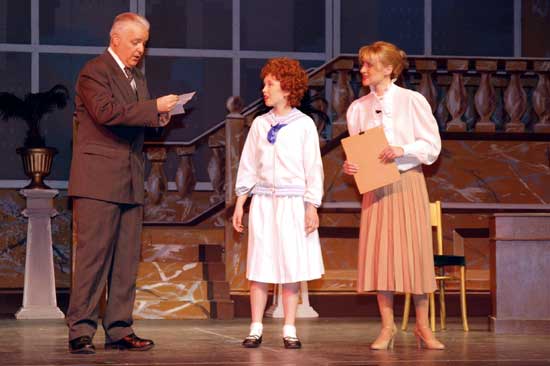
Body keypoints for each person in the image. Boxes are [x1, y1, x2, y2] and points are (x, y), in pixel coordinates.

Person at [67, 12, 179, 354]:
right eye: (135, 42)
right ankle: (80, 331)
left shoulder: (135, 77)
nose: (140, 49)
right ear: (116, 39)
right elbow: (107, 113)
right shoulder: (94, 71)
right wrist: (152, 108)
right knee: (93, 259)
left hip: (130, 178)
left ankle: (119, 328)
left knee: (126, 260)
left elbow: (132, 117)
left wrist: (159, 116)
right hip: (98, 181)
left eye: (144, 43)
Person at [343, 41, 444, 350]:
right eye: (362, 64)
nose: (363, 70)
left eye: (369, 65)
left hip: (407, 183)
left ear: (388, 69)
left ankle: (423, 327)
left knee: (415, 253)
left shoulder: (412, 101)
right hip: (376, 187)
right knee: (381, 256)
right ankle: (387, 328)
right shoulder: (357, 108)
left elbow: (432, 146)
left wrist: (404, 149)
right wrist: (352, 165)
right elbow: (359, 147)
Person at [232, 57, 324, 349]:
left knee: (290, 266)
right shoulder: (260, 124)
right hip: (263, 202)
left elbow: (313, 168)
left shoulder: (304, 125)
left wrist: (312, 205)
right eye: (264, 83)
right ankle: (256, 326)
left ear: (286, 88)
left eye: (270, 84)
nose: (264, 89)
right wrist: (240, 202)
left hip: (292, 202)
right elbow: (248, 165)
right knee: (260, 265)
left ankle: (289, 327)